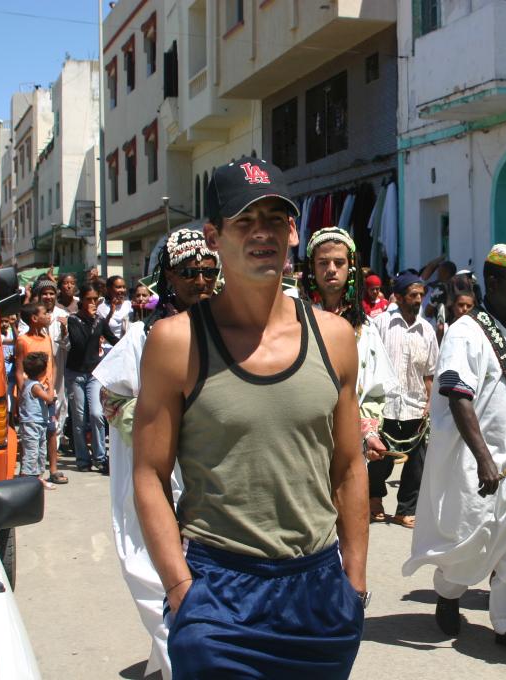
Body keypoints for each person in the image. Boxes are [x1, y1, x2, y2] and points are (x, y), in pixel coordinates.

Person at [132, 157, 368, 679]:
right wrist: (180, 591)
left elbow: (350, 468)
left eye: (275, 219)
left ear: (292, 232)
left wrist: (354, 582)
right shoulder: (176, 343)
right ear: (213, 236)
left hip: (319, 594)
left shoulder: (335, 338)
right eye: (245, 220)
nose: (263, 234)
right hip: (221, 596)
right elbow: (148, 473)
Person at [403, 245, 506, 656]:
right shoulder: (466, 332)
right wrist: (485, 460)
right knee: (469, 539)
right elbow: (458, 396)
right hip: (474, 463)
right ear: (492, 282)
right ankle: (448, 590)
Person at [93, 228, 219, 680]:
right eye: (189, 273)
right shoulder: (144, 337)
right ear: (169, 275)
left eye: (208, 271)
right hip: (160, 470)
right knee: (156, 566)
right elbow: (109, 394)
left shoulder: (225, 332)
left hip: (211, 472)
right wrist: (152, 423)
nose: (201, 281)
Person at [301, 227, 397, 469]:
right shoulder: (294, 319)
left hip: (348, 442)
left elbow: (374, 392)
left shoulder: (366, 330)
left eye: (339, 262)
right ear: (312, 268)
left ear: (351, 268)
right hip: (301, 441)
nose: (331, 269)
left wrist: (369, 434)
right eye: (323, 262)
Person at [369, 272, 439, 528]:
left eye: (421, 294)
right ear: (398, 297)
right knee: (381, 461)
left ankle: (405, 510)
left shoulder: (428, 330)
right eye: (413, 295)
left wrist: (430, 402)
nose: (418, 299)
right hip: (385, 405)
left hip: (416, 406)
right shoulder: (379, 324)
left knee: (417, 463)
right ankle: (374, 499)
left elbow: (430, 373)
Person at [66, 283, 118, 473]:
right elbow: (80, 344)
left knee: (97, 414)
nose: (93, 303)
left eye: (96, 299)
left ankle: (100, 457)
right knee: (79, 418)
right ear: (82, 301)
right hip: (76, 374)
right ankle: (82, 459)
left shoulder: (99, 320)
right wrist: (92, 321)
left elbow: (113, 339)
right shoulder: (73, 321)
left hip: (94, 373)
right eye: (89, 299)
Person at [34, 278, 70, 484]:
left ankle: (52, 452)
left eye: (51, 293)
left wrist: (65, 330)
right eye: (44, 294)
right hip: (38, 372)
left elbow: (67, 345)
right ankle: (41, 452)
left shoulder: (62, 315)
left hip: (59, 369)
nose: (48, 297)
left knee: (59, 407)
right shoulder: (32, 315)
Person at [17, 352, 57, 491]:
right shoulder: (35, 387)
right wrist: (51, 385)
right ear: (42, 371)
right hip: (32, 423)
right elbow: (49, 399)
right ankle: (27, 479)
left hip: (38, 423)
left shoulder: (29, 383)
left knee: (40, 451)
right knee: (32, 452)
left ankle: (37, 478)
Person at [98, 275, 131, 349]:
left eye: (123, 287)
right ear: (109, 289)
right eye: (118, 287)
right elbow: (101, 329)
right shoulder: (101, 308)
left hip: (127, 348)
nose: (122, 290)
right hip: (108, 349)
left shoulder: (129, 305)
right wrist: (111, 313)